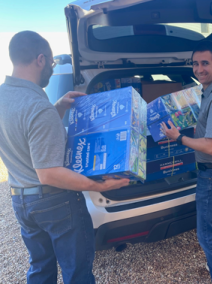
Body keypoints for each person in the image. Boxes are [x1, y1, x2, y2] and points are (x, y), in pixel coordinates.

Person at [0, 31, 130, 284]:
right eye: (50, 62)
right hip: (55, 202)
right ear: (40, 59)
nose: (51, 67)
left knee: (40, 268)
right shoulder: (38, 107)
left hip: (22, 200)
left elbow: (26, 137)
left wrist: (58, 107)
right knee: (77, 273)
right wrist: (98, 185)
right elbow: (48, 173)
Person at [162, 40, 212, 284]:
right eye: (195, 64)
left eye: (205, 63)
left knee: (207, 236)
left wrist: (179, 137)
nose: (199, 69)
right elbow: (211, 130)